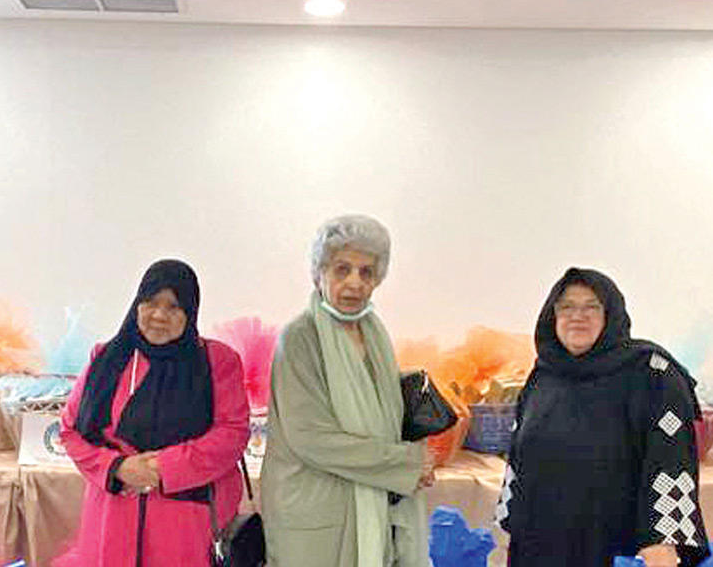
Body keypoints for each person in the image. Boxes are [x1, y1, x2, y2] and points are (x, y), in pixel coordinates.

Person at [495, 267, 710, 567]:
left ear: (611, 314)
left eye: (591, 307)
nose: (577, 316)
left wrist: (662, 541)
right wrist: (511, 526)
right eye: (566, 307)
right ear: (552, 315)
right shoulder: (543, 375)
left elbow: (671, 458)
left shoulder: (651, 373)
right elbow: (519, 457)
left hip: (614, 542)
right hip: (541, 542)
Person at [260, 215, 435, 567]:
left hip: (367, 498)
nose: (354, 282)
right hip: (313, 507)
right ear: (319, 273)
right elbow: (310, 438)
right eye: (342, 269)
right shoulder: (300, 337)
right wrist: (404, 462)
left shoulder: (373, 331)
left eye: (366, 272)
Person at [55, 259, 250, 567]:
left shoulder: (216, 361)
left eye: (173, 306)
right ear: (137, 304)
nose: (159, 315)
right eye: (151, 302)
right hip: (112, 521)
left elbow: (232, 434)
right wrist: (117, 468)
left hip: (185, 527)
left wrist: (162, 468)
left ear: (190, 312)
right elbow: (71, 431)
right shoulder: (106, 358)